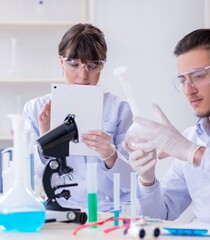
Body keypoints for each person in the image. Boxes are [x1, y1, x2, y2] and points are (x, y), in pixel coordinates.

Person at [123, 28, 210, 225]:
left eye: (199, 76)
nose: (188, 90)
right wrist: (147, 179)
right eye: (183, 80)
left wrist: (192, 152)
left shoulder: (187, 145)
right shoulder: (190, 138)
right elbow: (161, 213)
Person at [23, 23, 133, 212]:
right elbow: (26, 180)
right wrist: (46, 141)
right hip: (58, 210)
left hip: (107, 211)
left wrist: (111, 155)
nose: (83, 76)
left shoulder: (119, 109)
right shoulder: (37, 109)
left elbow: (133, 181)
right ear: (60, 62)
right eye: (74, 64)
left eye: (92, 66)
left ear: (103, 65)